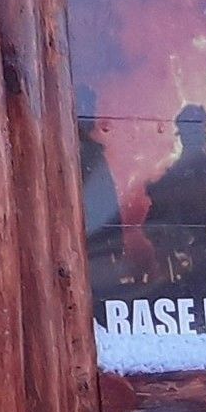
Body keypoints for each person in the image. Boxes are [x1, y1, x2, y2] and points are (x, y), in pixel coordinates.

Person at [142, 103, 206, 283]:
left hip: (191, 236)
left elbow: (205, 198)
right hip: (186, 235)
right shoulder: (192, 164)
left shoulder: (197, 163)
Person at [76, 86, 126, 284]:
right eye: (86, 108)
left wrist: (117, 243)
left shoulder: (93, 154)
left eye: (91, 108)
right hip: (87, 252)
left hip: (98, 249)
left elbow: (108, 201)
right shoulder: (76, 153)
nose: (92, 116)